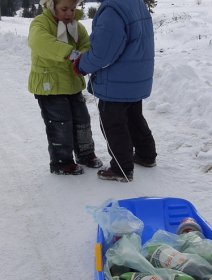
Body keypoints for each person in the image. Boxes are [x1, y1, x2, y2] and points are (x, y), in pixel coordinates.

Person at [73, 0, 157, 182]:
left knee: (113, 124)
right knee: (134, 118)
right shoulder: (136, 3)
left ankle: (121, 168)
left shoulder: (112, 9)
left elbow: (103, 52)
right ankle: (146, 155)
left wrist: (82, 64)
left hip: (117, 81)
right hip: (135, 75)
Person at [28, 0, 103, 175]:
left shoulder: (77, 27)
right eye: (64, 9)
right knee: (60, 124)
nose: (69, 13)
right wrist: (70, 52)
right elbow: (41, 43)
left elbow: (85, 43)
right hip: (50, 87)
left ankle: (85, 154)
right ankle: (62, 162)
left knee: (82, 121)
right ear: (51, 6)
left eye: (72, 9)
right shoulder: (40, 23)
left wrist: (84, 55)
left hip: (72, 84)